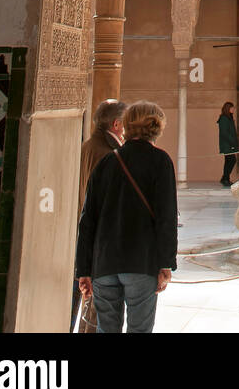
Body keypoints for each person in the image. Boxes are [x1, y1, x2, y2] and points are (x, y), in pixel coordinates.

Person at [76, 100, 178, 334]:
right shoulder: (160, 161)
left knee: (106, 329)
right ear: (157, 127)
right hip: (141, 262)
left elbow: (88, 219)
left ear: (126, 126)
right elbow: (166, 217)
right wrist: (165, 263)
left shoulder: (107, 162)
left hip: (104, 263)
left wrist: (84, 268)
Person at [71, 98, 126, 331]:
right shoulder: (107, 154)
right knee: (97, 313)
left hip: (89, 242)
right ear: (116, 124)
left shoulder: (88, 146)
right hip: (100, 248)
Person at [218, 100, 239, 186]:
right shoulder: (224, 118)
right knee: (231, 160)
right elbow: (224, 133)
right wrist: (232, 141)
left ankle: (225, 178)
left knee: (230, 161)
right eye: (232, 108)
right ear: (228, 109)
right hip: (227, 144)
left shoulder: (229, 118)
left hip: (230, 144)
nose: (233, 109)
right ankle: (225, 178)